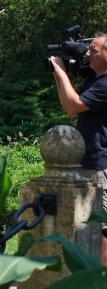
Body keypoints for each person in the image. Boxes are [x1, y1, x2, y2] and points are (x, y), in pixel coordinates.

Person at [51, 33, 107, 264]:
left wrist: (62, 73)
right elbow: (69, 107)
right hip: (88, 162)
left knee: (103, 229)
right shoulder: (95, 79)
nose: (86, 54)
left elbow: (74, 106)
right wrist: (58, 75)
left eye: (93, 50)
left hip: (100, 165)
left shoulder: (106, 83)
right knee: (88, 224)